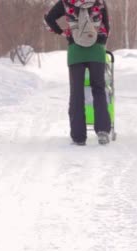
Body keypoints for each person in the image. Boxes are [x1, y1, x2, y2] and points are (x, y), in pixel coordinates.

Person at [45, 0, 111, 145]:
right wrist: (100, 40)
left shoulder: (65, 2)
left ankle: (78, 136)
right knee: (99, 89)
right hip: (96, 50)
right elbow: (107, 25)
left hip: (75, 51)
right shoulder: (99, 2)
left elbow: (49, 18)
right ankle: (103, 131)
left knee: (76, 93)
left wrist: (63, 33)